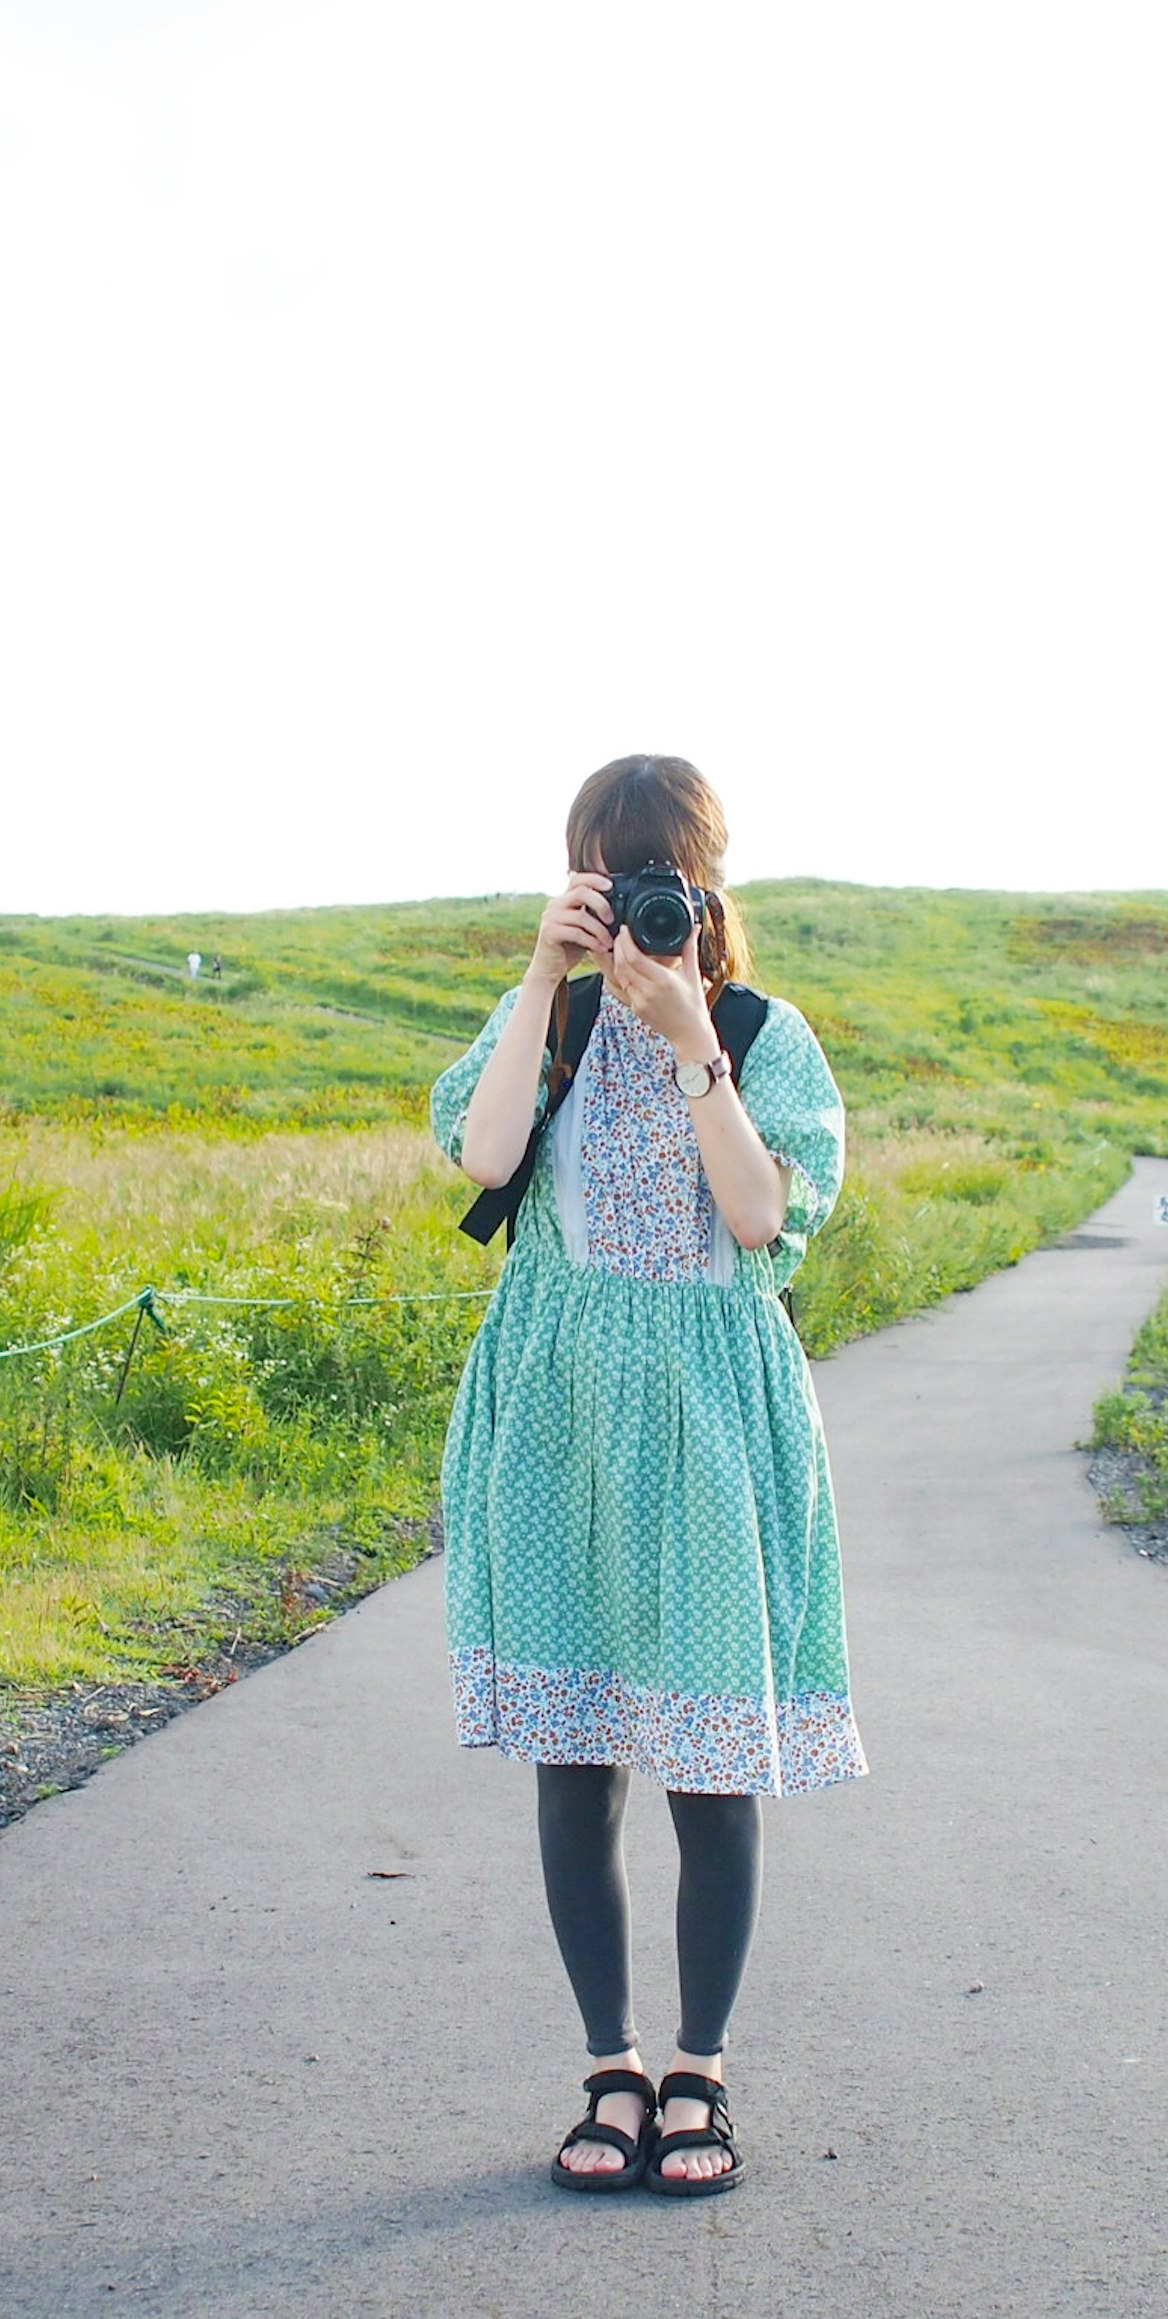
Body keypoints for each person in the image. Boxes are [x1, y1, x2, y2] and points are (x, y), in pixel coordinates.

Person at [430, 754, 861, 2198]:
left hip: (711, 1424)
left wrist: (690, 1039)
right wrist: (538, 982)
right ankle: (609, 2066)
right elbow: (484, 1157)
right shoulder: (534, 1018)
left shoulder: (761, 1032)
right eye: (610, 881)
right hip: (559, 1419)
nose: (638, 910)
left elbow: (758, 1221)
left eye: (658, 880)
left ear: (708, 884)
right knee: (576, 1762)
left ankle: (700, 2076)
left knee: (710, 1770)